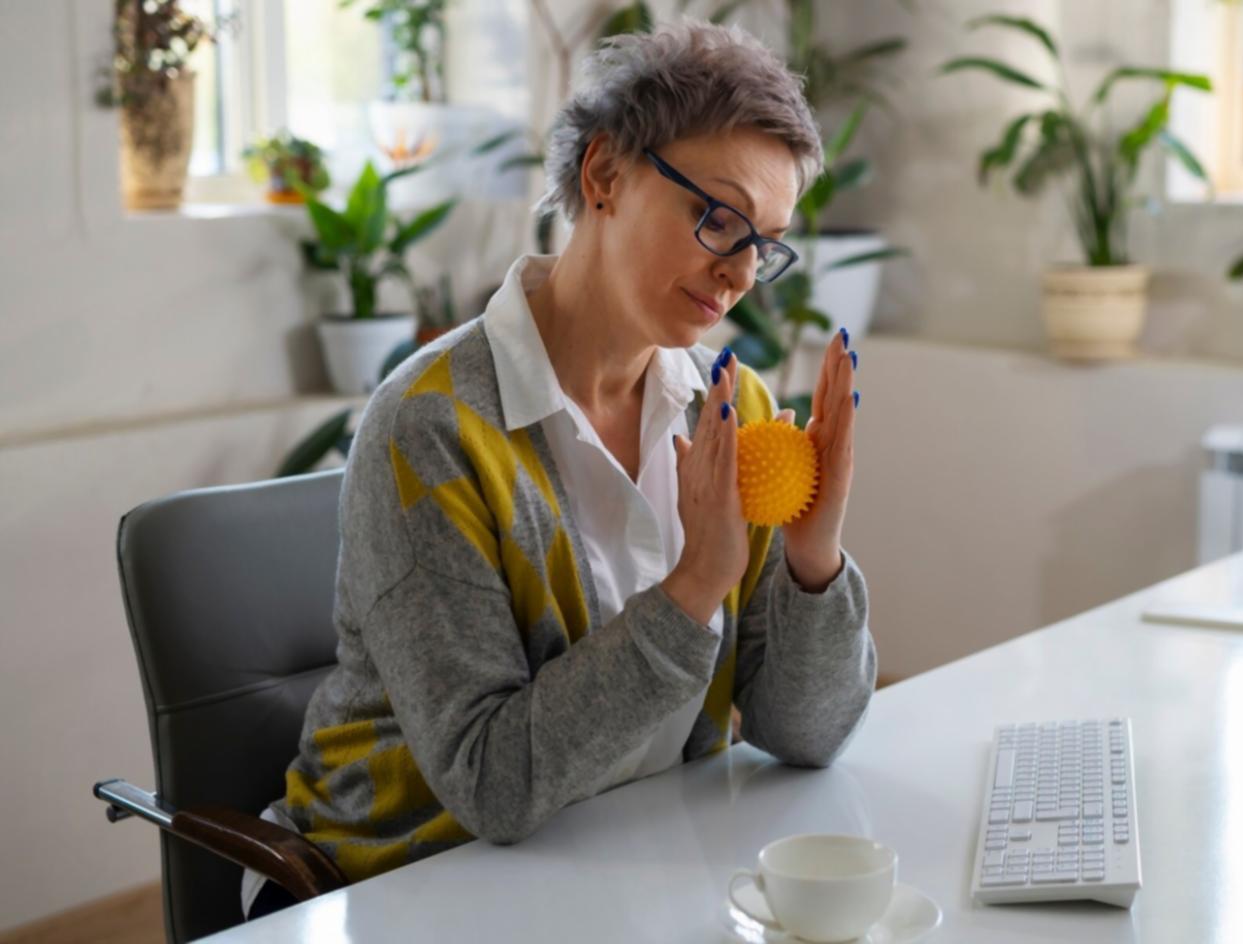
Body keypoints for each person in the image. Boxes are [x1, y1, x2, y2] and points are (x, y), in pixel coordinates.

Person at [242, 19, 877, 920]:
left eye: (763, 243)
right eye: (719, 218)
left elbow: (806, 734)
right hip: (403, 885)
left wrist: (815, 562)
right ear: (605, 174)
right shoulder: (431, 429)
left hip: (632, 864)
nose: (738, 274)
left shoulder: (730, 413)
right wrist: (697, 584)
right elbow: (491, 783)